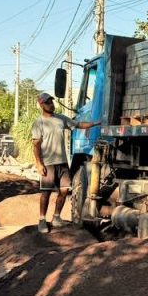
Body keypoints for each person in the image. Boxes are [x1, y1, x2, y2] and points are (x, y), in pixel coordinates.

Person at [32, 92, 100, 233]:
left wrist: (93, 124)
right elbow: (36, 145)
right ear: (41, 105)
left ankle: (56, 217)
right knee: (46, 193)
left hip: (62, 162)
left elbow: (78, 124)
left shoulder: (61, 119)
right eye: (48, 102)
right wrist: (39, 164)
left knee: (64, 190)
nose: (51, 104)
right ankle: (42, 220)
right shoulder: (39, 123)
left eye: (52, 102)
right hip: (48, 163)